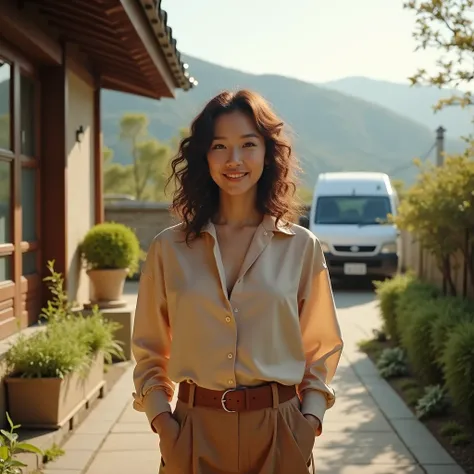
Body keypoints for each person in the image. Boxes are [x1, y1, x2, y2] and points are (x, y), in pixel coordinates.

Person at [131, 89, 343, 474]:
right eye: (219, 146)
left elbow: (322, 348)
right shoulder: (168, 249)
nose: (234, 160)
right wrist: (164, 425)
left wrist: (308, 423)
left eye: (248, 144)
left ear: (267, 153)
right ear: (204, 156)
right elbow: (148, 351)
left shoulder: (301, 246)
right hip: (193, 433)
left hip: (281, 433)